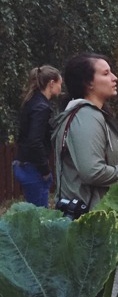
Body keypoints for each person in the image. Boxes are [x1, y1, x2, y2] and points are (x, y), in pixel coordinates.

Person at [51, 53, 118, 209]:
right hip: (89, 220)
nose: (114, 78)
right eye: (106, 73)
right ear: (88, 83)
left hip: (93, 214)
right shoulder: (86, 116)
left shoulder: (88, 114)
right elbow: (92, 171)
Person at [13, 65, 63, 207]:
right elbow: (34, 141)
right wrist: (45, 170)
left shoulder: (31, 102)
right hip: (34, 169)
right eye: (60, 84)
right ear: (51, 84)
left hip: (23, 164)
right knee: (39, 217)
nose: (61, 88)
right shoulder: (42, 107)